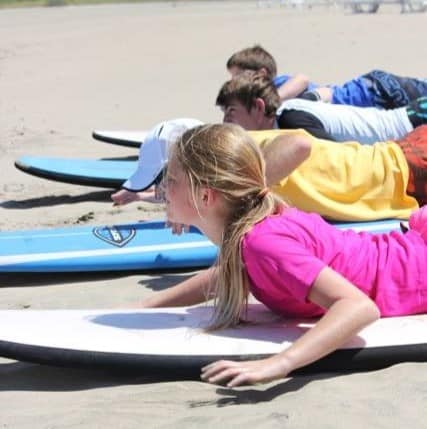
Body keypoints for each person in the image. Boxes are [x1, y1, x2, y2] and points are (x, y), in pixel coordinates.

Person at [139, 123, 427, 387]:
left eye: (172, 180)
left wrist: (280, 363)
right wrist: (149, 306)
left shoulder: (263, 244)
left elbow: (359, 307)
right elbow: (226, 273)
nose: (163, 190)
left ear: (205, 197)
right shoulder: (251, 235)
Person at [112, 118, 427, 221]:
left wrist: (231, 199)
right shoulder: (227, 159)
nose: (170, 185)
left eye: (169, 177)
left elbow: (299, 145)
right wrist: (147, 196)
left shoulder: (244, 149)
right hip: (404, 168)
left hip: (407, 169)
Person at [217, 72, 427, 144]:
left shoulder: (292, 121)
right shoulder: (291, 112)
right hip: (411, 121)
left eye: (231, 111)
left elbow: (342, 158)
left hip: (413, 127)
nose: (226, 121)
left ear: (258, 107)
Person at [227, 45, 427, 108]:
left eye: (238, 76)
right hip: (371, 93)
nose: (234, 82)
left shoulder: (277, 86)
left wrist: (275, 99)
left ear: (262, 74)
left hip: (370, 91)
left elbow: (302, 79)